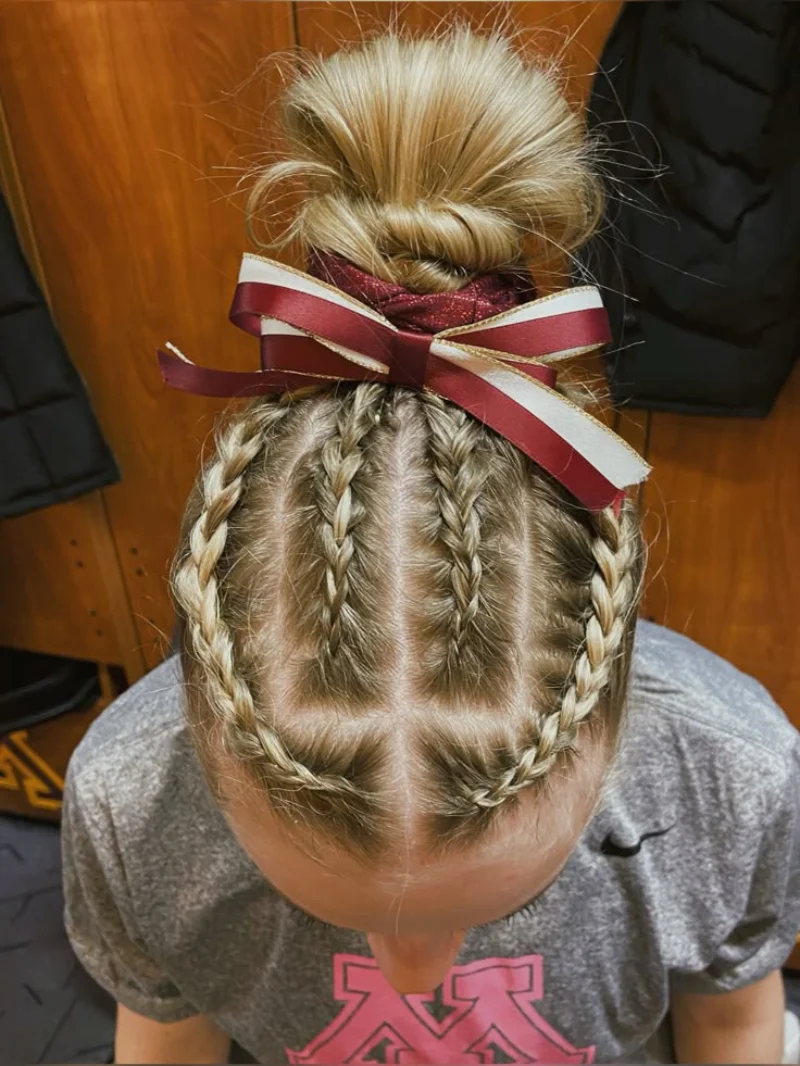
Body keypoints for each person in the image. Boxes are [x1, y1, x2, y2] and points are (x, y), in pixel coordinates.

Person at [62, 28, 800, 1065]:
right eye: (326, 901)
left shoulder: (728, 770)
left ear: (616, 723)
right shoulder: (129, 798)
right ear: (196, 741)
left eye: (493, 901)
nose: (416, 974)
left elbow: (731, 1020)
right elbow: (165, 1026)